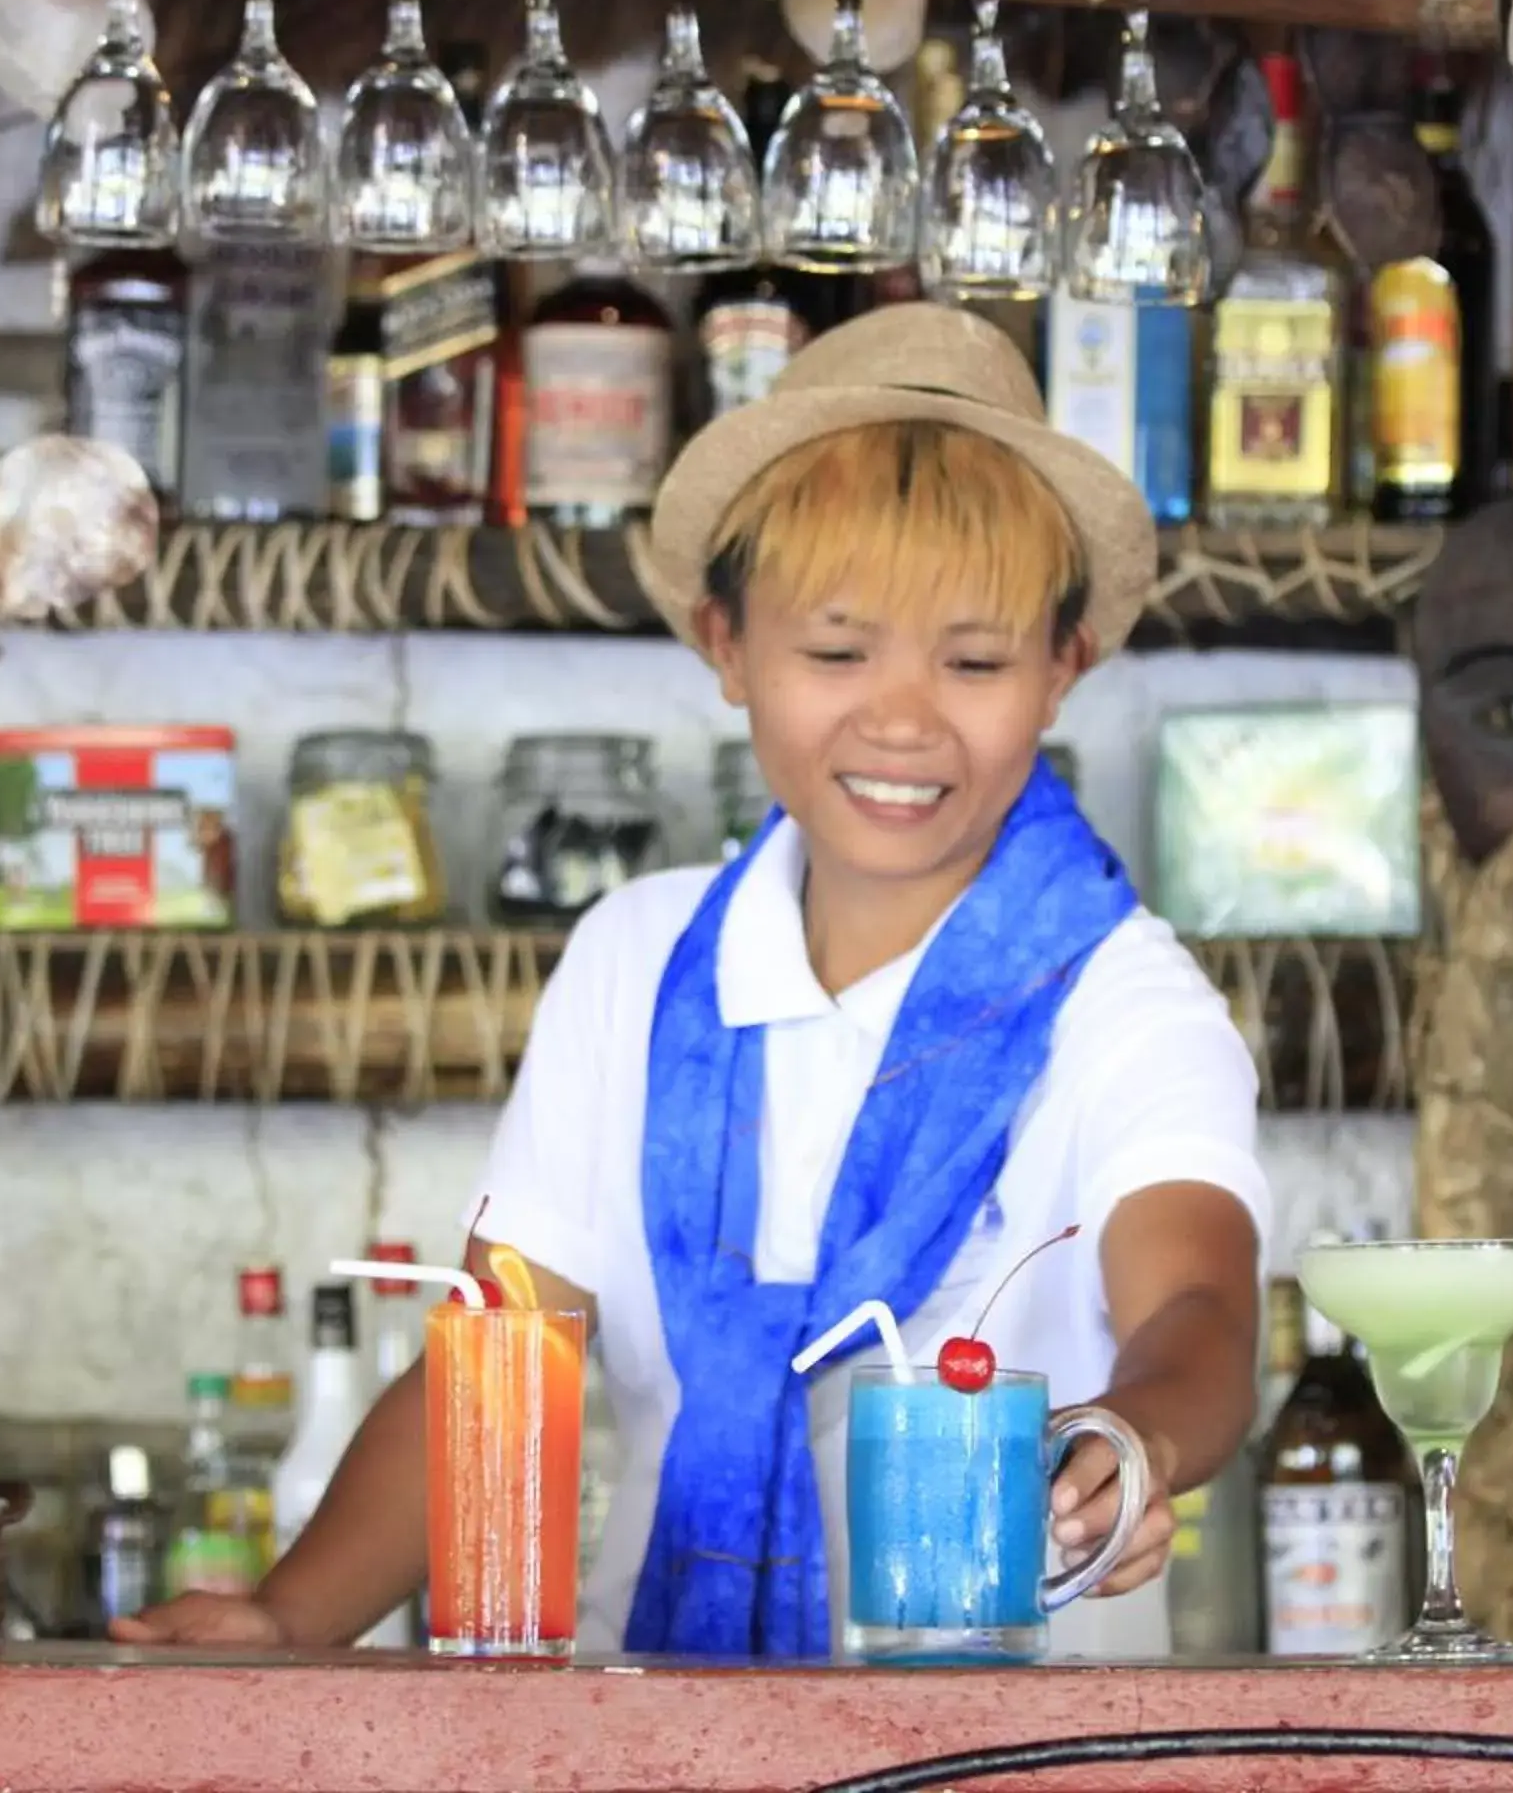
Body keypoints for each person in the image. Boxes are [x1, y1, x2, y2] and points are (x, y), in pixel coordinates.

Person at [118, 306, 1269, 1658]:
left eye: (974, 660)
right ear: (727, 645)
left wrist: (1131, 1439)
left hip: (1001, 1754)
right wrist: (286, 1618)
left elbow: (1198, 1308)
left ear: (1063, 665)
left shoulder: (1122, 1001)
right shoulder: (639, 963)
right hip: (648, 1735)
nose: (901, 718)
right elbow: (501, 1360)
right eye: (837, 651)